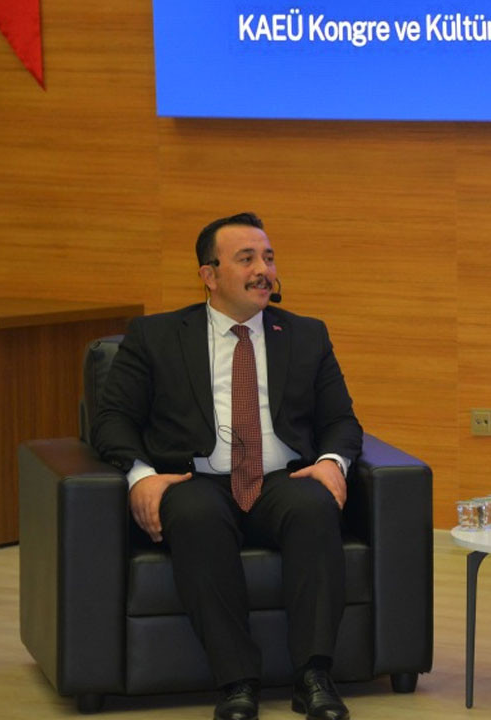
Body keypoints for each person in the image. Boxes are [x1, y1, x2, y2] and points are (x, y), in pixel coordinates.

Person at [92, 212, 362, 720]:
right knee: (195, 515)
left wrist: (332, 462)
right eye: (247, 259)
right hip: (195, 478)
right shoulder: (155, 336)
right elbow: (112, 420)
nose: (264, 270)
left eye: (269, 258)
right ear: (209, 275)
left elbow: (341, 420)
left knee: (314, 506)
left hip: (281, 479)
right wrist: (140, 477)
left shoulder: (306, 335)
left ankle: (314, 676)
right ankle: (236, 682)